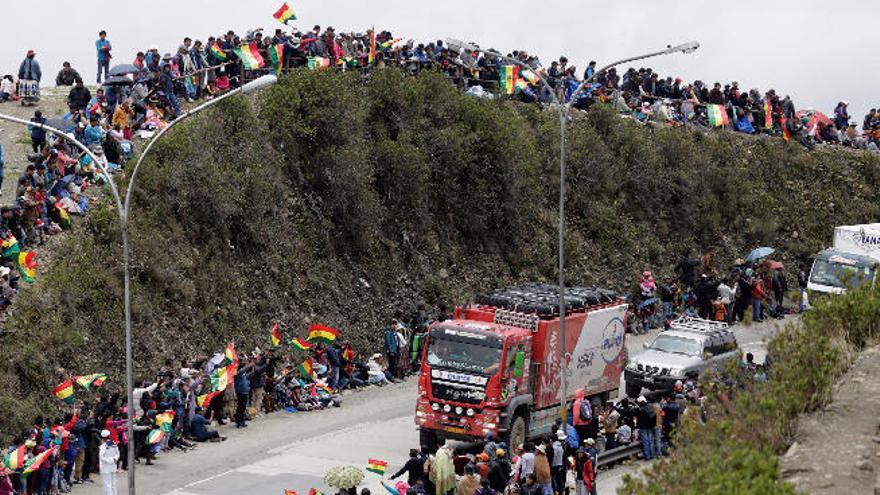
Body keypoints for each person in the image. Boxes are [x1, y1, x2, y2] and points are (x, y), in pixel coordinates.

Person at [98, 429, 119, 495]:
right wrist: (114, 459)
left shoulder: (103, 446)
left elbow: (101, 457)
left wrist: (109, 460)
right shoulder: (114, 444)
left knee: (107, 484)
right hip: (113, 466)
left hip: (105, 468)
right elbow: (118, 454)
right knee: (113, 484)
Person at [636, 396, 656, 460]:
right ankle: (652, 454)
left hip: (643, 427)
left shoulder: (641, 409)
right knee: (650, 440)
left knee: (645, 441)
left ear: (641, 402)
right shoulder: (650, 406)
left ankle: (647, 456)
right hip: (650, 426)